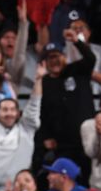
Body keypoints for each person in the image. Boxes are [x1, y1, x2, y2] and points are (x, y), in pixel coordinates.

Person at [0, 60, 43, 191]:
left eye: (12, 110)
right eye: (4, 110)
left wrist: (38, 79)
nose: (8, 113)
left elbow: (34, 103)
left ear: (18, 113)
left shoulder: (26, 129)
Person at [35, 30, 95, 171]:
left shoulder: (78, 70)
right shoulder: (44, 83)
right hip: (61, 144)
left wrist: (77, 42)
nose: (53, 60)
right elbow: (42, 112)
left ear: (64, 57)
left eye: (56, 56)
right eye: (49, 58)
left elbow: (91, 59)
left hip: (86, 140)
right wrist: (46, 136)